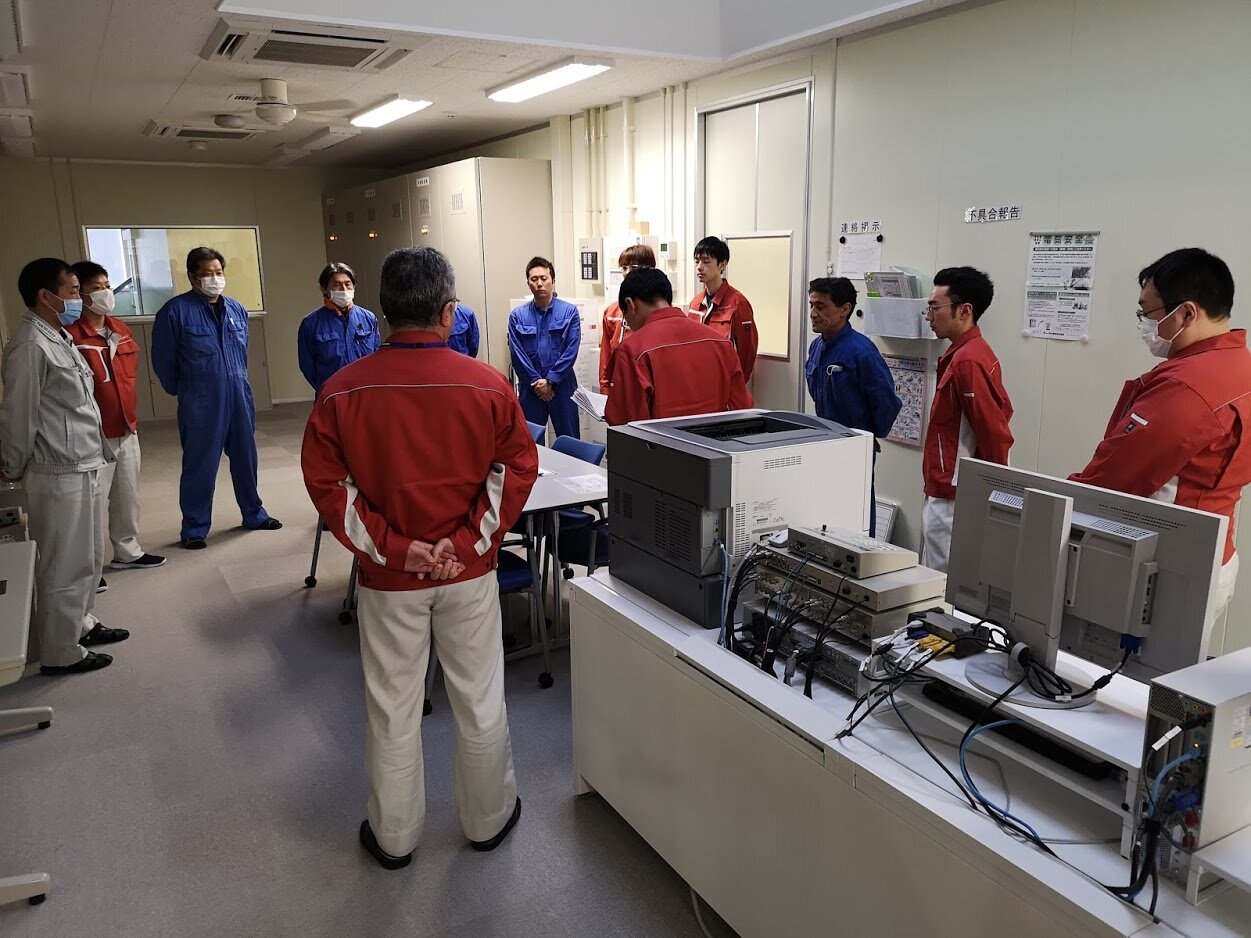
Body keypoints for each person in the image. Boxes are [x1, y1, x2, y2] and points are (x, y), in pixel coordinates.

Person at [302, 246, 538, 869]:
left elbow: (330, 488)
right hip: (469, 575)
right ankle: (488, 820)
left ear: (382, 310)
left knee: (393, 708)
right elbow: (516, 469)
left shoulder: (340, 391)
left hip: (388, 581)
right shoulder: (488, 385)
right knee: (479, 699)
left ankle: (395, 837)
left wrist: (400, 551)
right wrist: (461, 545)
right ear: (449, 312)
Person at [1070, 248, 1251, 618]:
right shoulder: (1241, 366)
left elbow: (1113, 479)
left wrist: (1051, 500)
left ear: (1187, 313)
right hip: (1215, 552)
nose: (1144, 325)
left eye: (1148, 313)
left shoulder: (1190, 386)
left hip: (1167, 562)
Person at [0, 258, 129, 675]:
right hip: (56, 470)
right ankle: (60, 651)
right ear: (46, 296)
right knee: (63, 563)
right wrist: (11, 466)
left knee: (88, 556)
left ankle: (81, 623)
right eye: (73, 291)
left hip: (83, 461)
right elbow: (18, 416)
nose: (81, 299)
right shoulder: (29, 346)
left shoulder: (57, 335)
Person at [150, 246, 281, 549]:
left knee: (246, 458)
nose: (214, 278)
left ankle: (254, 513)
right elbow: (164, 361)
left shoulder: (236, 309)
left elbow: (242, 352)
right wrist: (187, 390)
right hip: (201, 400)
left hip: (238, 396)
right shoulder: (175, 312)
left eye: (218, 272)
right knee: (200, 464)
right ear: (192, 277)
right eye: (207, 273)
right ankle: (195, 527)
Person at [67, 261, 166, 578]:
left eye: (107, 286)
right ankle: (88, 571)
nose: (105, 293)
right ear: (79, 294)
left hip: (126, 425)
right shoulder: (70, 336)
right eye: (96, 288)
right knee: (92, 503)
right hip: (93, 432)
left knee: (128, 496)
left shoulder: (120, 330)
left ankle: (127, 552)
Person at [921, 267, 1014, 571]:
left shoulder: (969, 360)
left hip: (955, 492)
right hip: (947, 485)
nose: (929, 316)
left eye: (934, 308)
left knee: (944, 578)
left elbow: (994, 432)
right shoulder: (965, 353)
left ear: (964, 311)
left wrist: (997, 491)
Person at [805, 277, 903, 537]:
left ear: (844, 309)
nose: (813, 313)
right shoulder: (817, 347)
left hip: (855, 446)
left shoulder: (862, 351)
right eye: (811, 305)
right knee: (827, 513)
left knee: (856, 515)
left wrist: (870, 434)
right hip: (826, 442)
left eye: (821, 306)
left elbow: (886, 400)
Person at [605, 268, 753, 425]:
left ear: (631, 304)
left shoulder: (632, 351)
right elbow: (740, 407)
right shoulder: (721, 344)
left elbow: (624, 422)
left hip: (660, 440)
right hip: (715, 439)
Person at [508, 257, 581, 439]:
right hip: (531, 387)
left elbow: (571, 350)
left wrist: (551, 381)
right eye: (534, 279)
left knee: (570, 440)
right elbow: (517, 354)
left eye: (544, 278)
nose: (539, 283)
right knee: (529, 441)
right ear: (528, 283)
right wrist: (537, 383)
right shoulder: (517, 316)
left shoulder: (569, 312)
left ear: (553, 280)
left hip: (562, 384)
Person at [297, 262, 381, 393]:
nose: (344, 289)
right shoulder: (311, 324)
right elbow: (307, 366)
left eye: (348, 284)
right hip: (331, 394)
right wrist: (326, 388)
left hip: (364, 392)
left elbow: (376, 357)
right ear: (325, 289)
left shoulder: (368, 318)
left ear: (354, 286)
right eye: (337, 285)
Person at [687, 236, 758, 381]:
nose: (699, 267)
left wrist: (737, 384)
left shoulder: (738, 303)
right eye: (696, 261)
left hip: (726, 382)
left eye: (706, 261)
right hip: (697, 380)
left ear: (722, 265)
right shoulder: (695, 303)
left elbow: (747, 353)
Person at [598, 244, 656, 393]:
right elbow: (606, 359)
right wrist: (605, 392)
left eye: (634, 267)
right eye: (624, 268)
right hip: (618, 387)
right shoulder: (612, 313)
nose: (628, 273)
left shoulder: (657, 311)